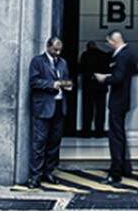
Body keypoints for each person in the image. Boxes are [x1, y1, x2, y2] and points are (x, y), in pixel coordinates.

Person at [26, 36, 71, 188]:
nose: (58, 53)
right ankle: (35, 176)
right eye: (55, 49)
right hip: (43, 108)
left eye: (60, 50)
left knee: (54, 142)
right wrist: (52, 84)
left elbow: (66, 79)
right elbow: (34, 82)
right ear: (48, 46)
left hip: (59, 107)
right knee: (39, 142)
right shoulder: (37, 61)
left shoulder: (63, 62)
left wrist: (67, 84)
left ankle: (49, 172)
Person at [94, 29, 138, 184]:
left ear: (114, 41)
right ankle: (125, 168)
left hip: (118, 101)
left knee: (115, 137)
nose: (108, 45)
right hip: (124, 100)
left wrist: (104, 79)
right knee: (120, 135)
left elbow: (118, 78)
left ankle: (115, 173)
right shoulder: (129, 54)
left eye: (109, 42)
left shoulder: (121, 56)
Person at [79, 41, 110, 137]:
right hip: (101, 86)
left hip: (88, 86)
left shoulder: (85, 55)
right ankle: (99, 132)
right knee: (100, 110)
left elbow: (81, 69)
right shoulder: (104, 55)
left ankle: (86, 132)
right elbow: (107, 69)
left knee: (87, 110)